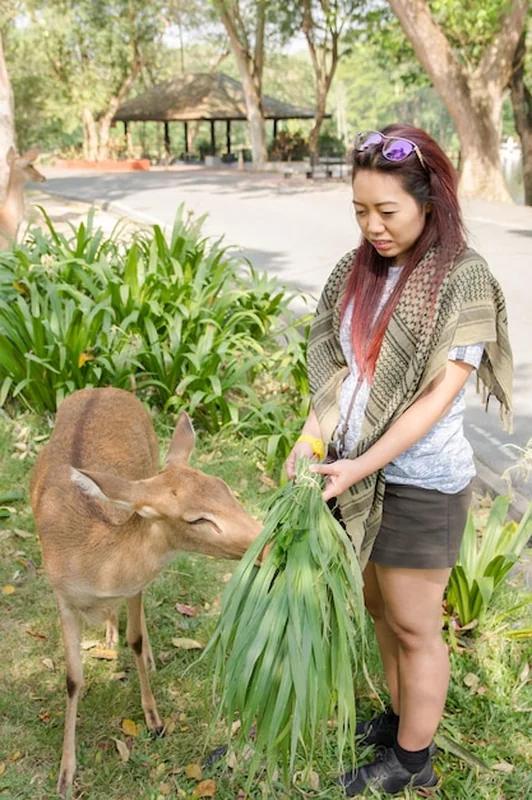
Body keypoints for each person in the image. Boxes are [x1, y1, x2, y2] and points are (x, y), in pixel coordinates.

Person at [285, 124, 513, 796]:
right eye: (360, 210)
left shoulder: (462, 279)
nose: (372, 226)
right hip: (356, 468)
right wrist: (311, 439)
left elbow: (437, 398)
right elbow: (337, 374)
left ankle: (413, 761)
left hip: (419, 483)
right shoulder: (355, 271)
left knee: (416, 625)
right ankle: (397, 721)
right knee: (380, 608)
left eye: (386, 211)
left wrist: (357, 465)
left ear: (429, 202)